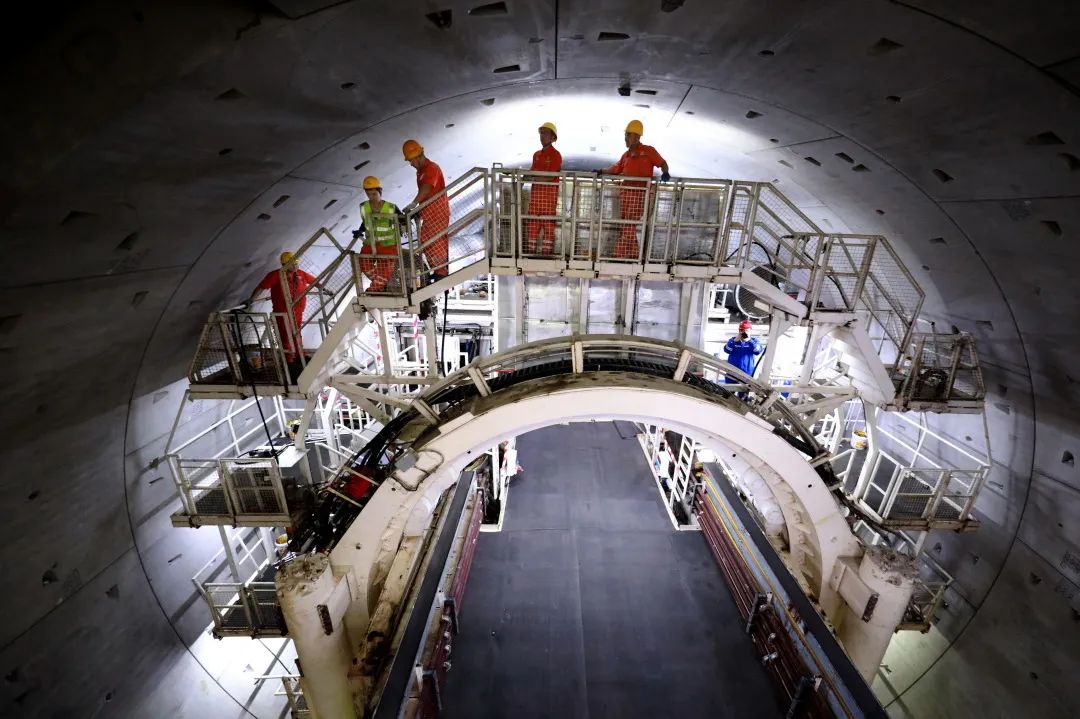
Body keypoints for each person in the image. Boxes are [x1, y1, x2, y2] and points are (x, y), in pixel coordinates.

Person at [598, 119, 670, 259]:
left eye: (628, 135)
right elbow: (615, 168)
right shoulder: (626, 155)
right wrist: (601, 171)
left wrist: (665, 173)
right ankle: (633, 254)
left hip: (639, 195)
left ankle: (620, 254)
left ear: (637, 136)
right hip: (626, 195)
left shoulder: (649, 151)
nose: (625, 138)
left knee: (629, 224)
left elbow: (662, 163)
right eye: (625, 135)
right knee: (627, 224)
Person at [247, 251, 317, 367]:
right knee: (285, 335)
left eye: (296, 263)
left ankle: (299, 355)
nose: (295, 266)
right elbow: (261, 287)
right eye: (293, 264)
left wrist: (324, 289)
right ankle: (288, 360)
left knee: (297, 334)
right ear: (284, 264)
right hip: (282, 313)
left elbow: (315, 282)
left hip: (297, 312)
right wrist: (251, 300)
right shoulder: (275, 275)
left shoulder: (300, 274)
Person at [402, 139, 451, 279]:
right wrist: (419, 209)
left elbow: (427, 187)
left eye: (411, 160)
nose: (411, 164)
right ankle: (438, 269)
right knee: (427, 240)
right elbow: (426, 193)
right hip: (429, 213)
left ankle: (441, 272)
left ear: (418, 156)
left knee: (433, 240)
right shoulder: (420, 171)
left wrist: (414, 204)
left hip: (437, 211)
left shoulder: (431, 168)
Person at [353, 175, 405, 293]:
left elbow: (403, 220)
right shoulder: (363, 206)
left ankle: (374, 289)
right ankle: (381, 283)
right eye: (368, 194)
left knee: (385, 269)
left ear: (380, 191)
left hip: (388, 244)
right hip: (370, 243)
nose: (371, 197)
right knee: (363, 263)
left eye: (374, 194)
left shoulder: (391, 207)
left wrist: (407, 220)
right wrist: (360, 230)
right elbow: (365, 221)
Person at [525, 121, 563, 256]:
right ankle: (530, 255)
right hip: (536, 199)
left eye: (545, 133)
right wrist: (523, 177)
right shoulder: (536, 155)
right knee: (532, 227)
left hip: (548, 199)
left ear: (553, 137)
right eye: (541, 133)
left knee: (548, 228)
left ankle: (546, 256)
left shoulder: (556, 155)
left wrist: (533, 178)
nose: (542, 136)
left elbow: (551, 177)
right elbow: (531, 172)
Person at [723, 320, 763, 385]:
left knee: (744, 391)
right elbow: (726, 350)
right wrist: (734, 341)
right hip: (732, 373)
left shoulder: (754, 341)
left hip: (747, 375)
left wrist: (750, 341)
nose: (744, 333)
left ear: (750, 331)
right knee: (729, 390)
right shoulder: (733, 340)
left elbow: (758, 351)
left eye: (746, 330)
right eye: (742, 330)